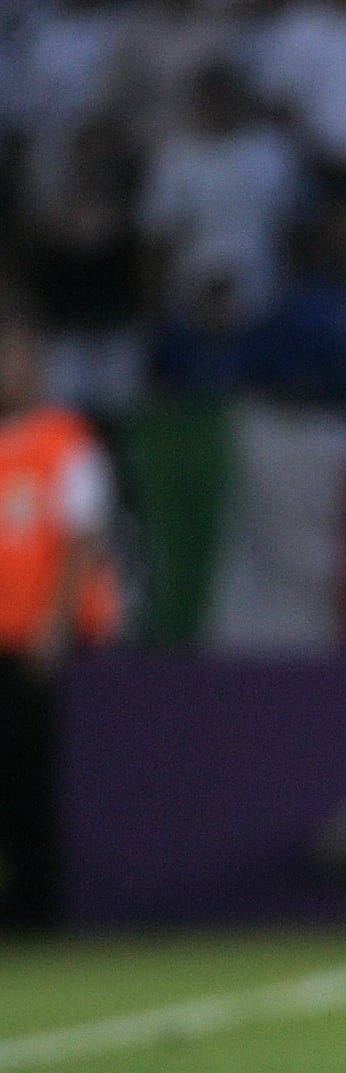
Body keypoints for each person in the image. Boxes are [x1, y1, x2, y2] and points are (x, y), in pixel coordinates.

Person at [0, 305, 122, 929]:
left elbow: (84, 534)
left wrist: (56, 619)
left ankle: (46, 907)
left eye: (17, 358)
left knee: (42, 777)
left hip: (47, 643)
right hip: (5, 639)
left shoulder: (63, 439)